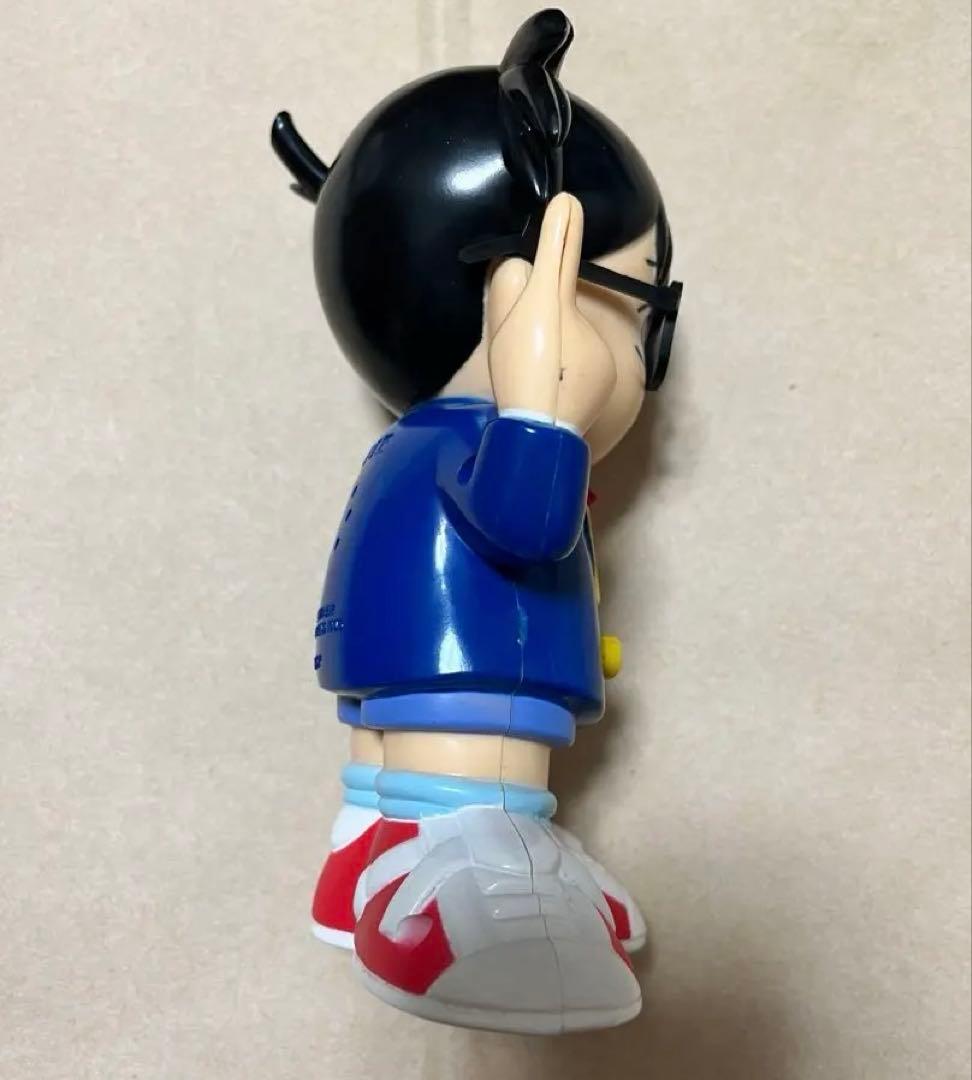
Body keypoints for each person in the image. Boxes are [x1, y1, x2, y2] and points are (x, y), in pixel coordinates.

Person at [271, 9, 682, 1033]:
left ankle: (370, 853)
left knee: (391, 770)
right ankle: (470, 868)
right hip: (462, 704)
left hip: (394, 692)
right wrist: (543, 408)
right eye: (634, 308)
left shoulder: (415, 446)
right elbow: (524, 528)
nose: (644, 357)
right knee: (469, 779)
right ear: (526, 294)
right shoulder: (496, 443)